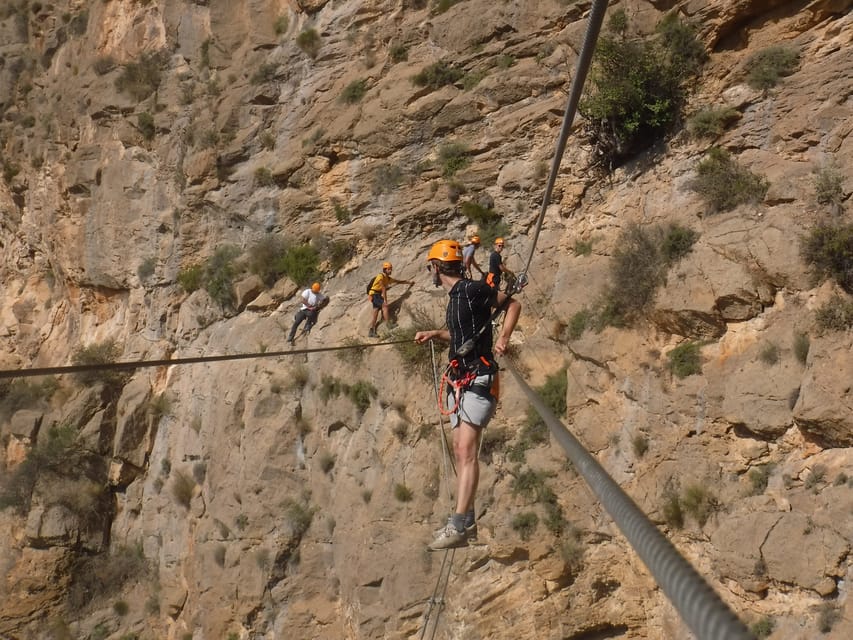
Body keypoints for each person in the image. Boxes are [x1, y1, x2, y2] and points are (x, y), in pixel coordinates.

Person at [415, 239, 521, 550]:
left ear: (436, 267)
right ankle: (468, 518)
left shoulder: (472, 290)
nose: (430, 274)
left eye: (430, 268)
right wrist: (437, 333)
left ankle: (459, 524)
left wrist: (503, 338)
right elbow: (463, 333)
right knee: (460, 452)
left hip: (478, 377)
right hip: (460, 380)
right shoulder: (456, 297)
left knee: (466, 451)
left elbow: (512, 304)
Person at [367, 261, 413, 337]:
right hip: (374, 294)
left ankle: (371, 331)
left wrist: (409, 282)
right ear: (385, 269)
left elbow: (398, 281)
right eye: (389, 269)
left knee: (375, 313)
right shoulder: (380, 276)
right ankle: (389, 325)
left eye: (391, 269)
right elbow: (383, 288)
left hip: (375, 295)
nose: (390, 270)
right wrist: (385, 300)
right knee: (385, 306)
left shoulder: (388, 279)